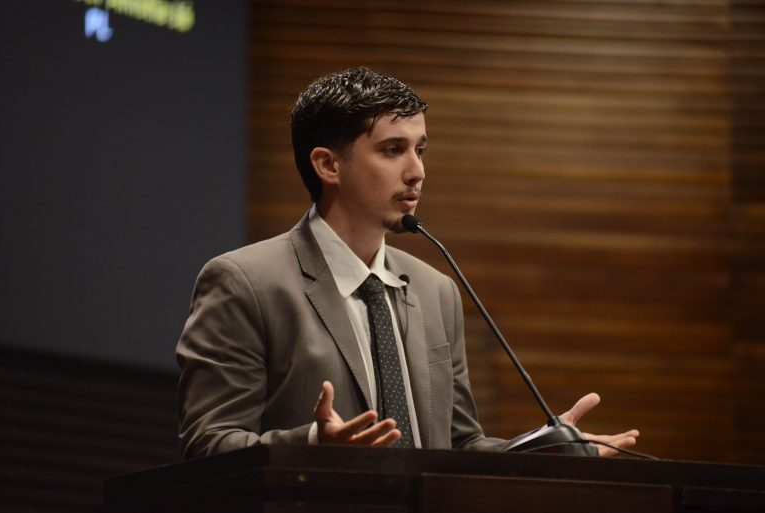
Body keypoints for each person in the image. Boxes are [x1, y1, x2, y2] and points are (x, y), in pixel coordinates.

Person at [176, 67, 639, 458]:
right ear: (327, 165)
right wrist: (317, 441)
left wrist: (547, 451)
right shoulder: (245, 282)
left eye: (420, 149)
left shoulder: (435, 289)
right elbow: (208, 442)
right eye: (392, 150)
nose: (417, 170)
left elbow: (457, 444)